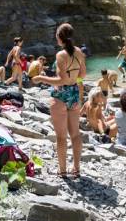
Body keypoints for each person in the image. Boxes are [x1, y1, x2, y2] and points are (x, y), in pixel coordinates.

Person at [31, 23, 86, 178]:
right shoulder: (79, 52)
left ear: (59, 37)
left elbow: (61, 80)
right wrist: (73, 79)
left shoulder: (60, 55)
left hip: (61, 96)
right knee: (75, 134)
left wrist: (41, 78)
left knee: (61, 136)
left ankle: (62, 171)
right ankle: (76, 169)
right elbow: (83, 75)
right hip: (74, 94)